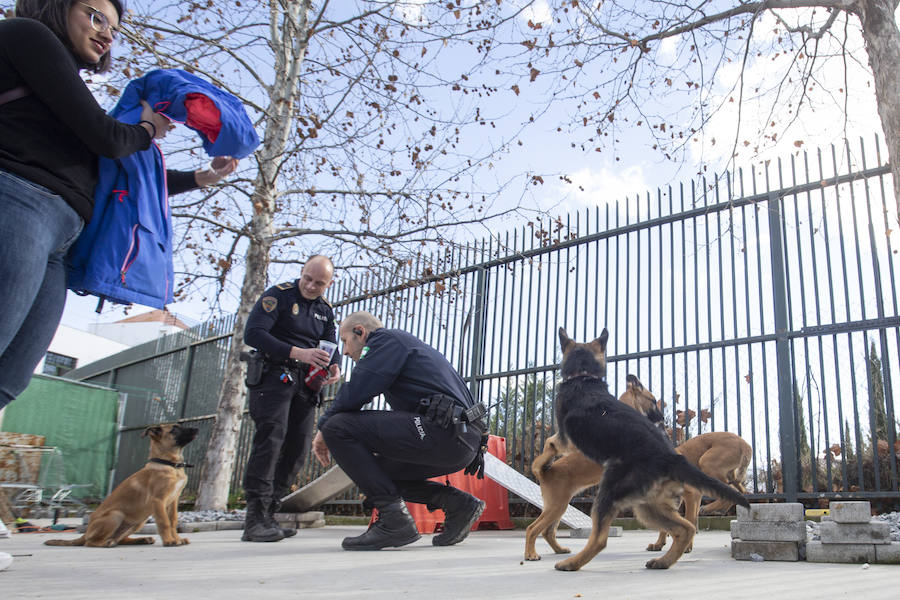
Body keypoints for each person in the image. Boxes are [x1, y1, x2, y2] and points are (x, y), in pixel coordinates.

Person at [0, 0, 238, 410]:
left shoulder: (59, 87)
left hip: (60, 239)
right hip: (18, 202)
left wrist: (201, 178)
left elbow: (109, 169)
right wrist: (147, 127)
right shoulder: (26, 34)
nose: (106, 33)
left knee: (11, 379)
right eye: (95, 16)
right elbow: (108, 138)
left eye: (112, 26)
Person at [312, 310, 489, 551]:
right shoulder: (405, 345)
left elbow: (357, 391)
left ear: (360, 332)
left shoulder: (385, 341)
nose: (343, 351)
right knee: (377, 474)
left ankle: (394, 521)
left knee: (336, 426)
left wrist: (323, 430)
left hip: (443, 433)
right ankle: (458, 504)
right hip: (461, 443)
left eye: (344, 341)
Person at [241, 255, 342, 542]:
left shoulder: (325, 310)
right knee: (270, 441)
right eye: (307, 278)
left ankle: (270, 513)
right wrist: (297, 352)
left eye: (319, 283)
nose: (310, 286)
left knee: (297, 449)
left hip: (306, 385)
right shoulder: (278, 296)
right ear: (302, 272)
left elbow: (330, 342)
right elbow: (254, 334)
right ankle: (254, 519)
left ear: (329, 284)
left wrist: (334, 365)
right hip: (274, 377)